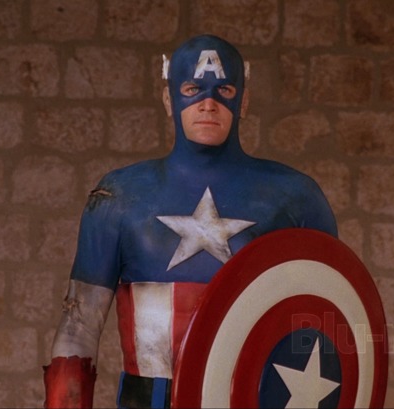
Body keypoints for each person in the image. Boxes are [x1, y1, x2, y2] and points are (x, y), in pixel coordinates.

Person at [43, 34, 338, 408]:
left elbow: (330, 327)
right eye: (192, 89)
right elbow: (79, 326)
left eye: (224, 90)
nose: (208, 104)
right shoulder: (119, 197)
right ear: (169, 99)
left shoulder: (296, 197)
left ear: (244, 101)